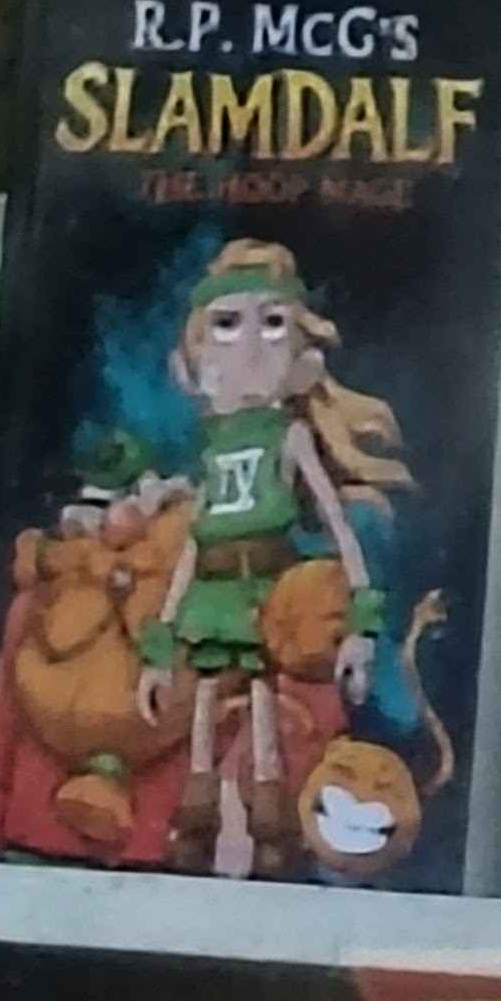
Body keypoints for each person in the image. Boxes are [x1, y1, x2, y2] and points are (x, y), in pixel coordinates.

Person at [134, 240, 409, 877]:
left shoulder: (289, 437)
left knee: (261, 709)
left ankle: (269, 826)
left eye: (273, 323)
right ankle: (195, 822)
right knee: (203, 706)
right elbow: (195, 544)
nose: (251, 347)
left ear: (303, 360)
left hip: (270, 592)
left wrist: (360, 628)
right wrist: (158, 647)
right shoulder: (212, 450)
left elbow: (340, 529)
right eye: (227, 326)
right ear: (192, 363)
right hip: (213, 596)